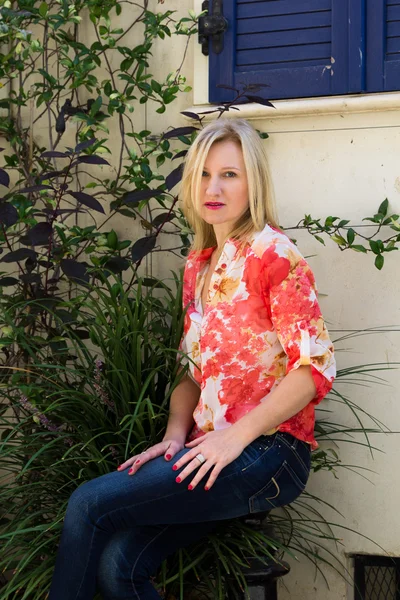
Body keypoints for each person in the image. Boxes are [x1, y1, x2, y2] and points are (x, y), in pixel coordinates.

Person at [48, 118, 336, 600]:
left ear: (253, 183)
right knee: (121, 563)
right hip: (210, 449)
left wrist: (233, 438)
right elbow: (192, 372)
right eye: (203, 173)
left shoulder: (275, 256)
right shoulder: (200, 265)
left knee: (88, 504)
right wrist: (174, 438)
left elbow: (312, 370)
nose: (213, 187)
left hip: (270, 452)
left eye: (229, 174)